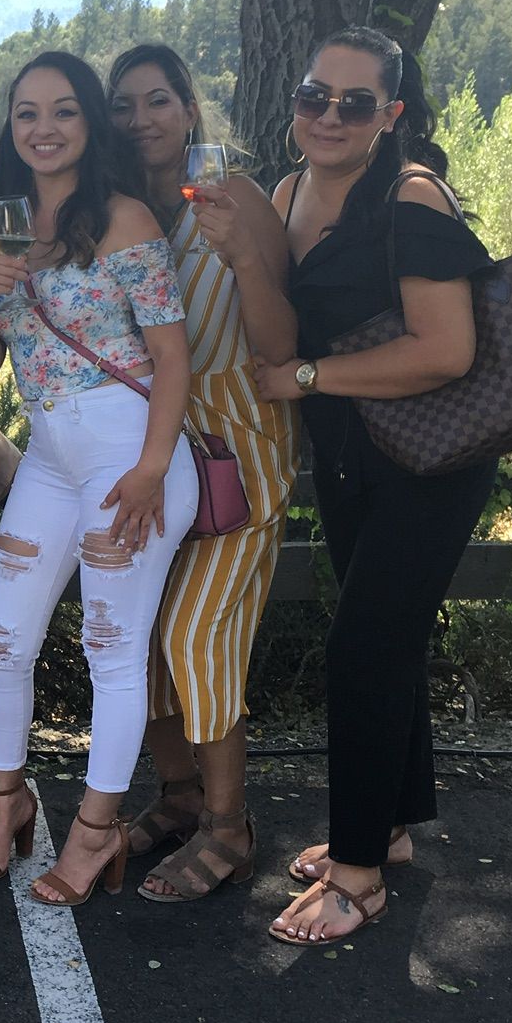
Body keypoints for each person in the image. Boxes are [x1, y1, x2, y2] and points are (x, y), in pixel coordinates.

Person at [253, 27, 495, 946]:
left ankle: (357, 877)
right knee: (382, 640)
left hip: (431, 462)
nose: (329, 115)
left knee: (363, 649)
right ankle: (389, 828)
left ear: (390, 115)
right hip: (352, 461)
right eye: (316, 95)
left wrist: (308, 378)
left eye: (356, 103)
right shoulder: (285, 193)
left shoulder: (411, 198)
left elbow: (447, 350)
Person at [0, 52, 196, 903]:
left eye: (63, 111)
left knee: (111, 650)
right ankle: (5, 807)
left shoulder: (124, 219)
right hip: (54, 459)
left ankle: (96, 834)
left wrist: (153, 470)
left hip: (130, 459)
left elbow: (172, 359)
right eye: (27, 113)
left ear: (89, 123)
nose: (44, 128)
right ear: (9, 127)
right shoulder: (5, 220)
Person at [108, 44, 301, 903]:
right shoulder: (113, 213)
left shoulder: (238, 201)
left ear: (190, 109)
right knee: (143, 635)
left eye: (159, 101)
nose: (142, 119)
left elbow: (281, 347)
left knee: (195, 636)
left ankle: (232, 828)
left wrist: (244, 257)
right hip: (150, 452)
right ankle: (180, 801)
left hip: (237, 453)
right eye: (124, 105)